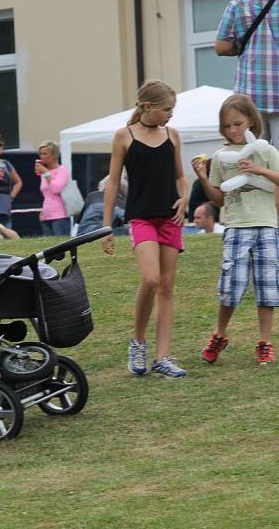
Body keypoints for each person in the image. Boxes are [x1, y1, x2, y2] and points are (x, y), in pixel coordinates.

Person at [101, 79, 189, 378]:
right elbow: (112, 183)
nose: (170, 115)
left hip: (170, 219)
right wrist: (106, 226)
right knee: (150, 280)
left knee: (166, 287)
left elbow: (180, 177)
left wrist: (185, 198)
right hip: (141, 218)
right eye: (167, 109)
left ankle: (163, 357)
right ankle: (138, 342)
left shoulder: (172, 135)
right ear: (147, 107)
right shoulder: (123, 136)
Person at [191, 94, 279, 365]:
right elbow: (219, 200)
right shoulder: (220, 157)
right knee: (231, 287)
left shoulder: (267, 151)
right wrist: (205, 179)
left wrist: (259, 170)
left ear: (252, 120)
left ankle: (264, 342)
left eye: (238, 124)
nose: (233, 130)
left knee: (267, 288)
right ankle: (219, 334)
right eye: (227, 126)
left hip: (266, 225)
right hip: (236, 226)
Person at [216, 0, 279, 147]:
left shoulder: (240, 1)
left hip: (249, 101)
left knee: (252, 160)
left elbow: (221, 47)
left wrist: (244, 45)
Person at [35, 141, 71, 236]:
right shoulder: (44, 172)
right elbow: (46, 194)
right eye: (40, 154)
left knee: (60, 248)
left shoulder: (62, 170)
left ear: (54, 155)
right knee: (49, 248)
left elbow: (56, 189)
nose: (41, 156)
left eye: (45, 153)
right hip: (46, 216)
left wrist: (46, 173)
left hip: (60, 216)